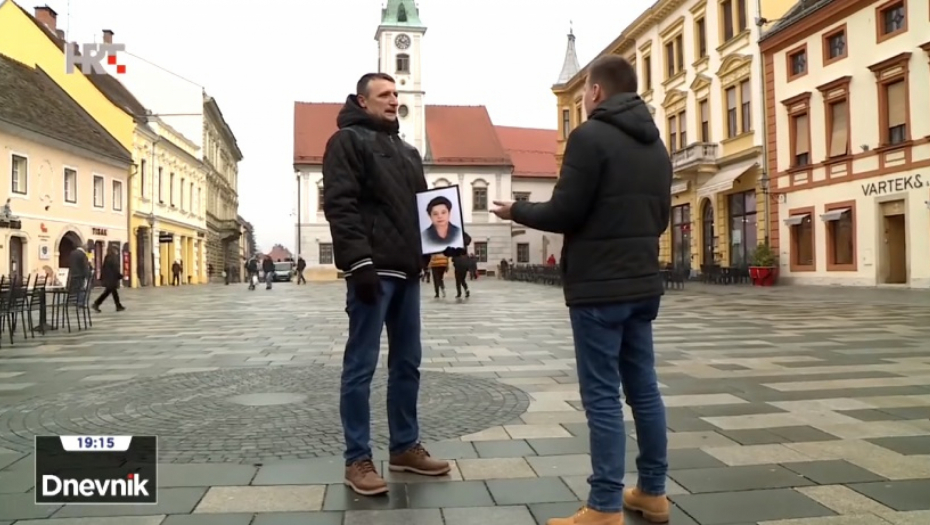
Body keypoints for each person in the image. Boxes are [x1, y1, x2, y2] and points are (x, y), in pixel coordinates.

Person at [491, 55, 672, 525]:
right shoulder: (657, 145)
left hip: (599, 289)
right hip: (642, 283)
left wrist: (516, 211)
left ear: (595, 92)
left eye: (586, 91)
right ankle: (652, 492)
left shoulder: (588, 137)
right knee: (645, 391)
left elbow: (564, 212)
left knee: (602, 397)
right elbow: (662, 218)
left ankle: (605, 505)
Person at [322, 71, 453, 496]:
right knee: (360, 365)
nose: (394, 100)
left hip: (408, 271)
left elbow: (423, 210)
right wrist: (358, 263)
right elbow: (340, 206)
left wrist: (445, 239)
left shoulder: (408, 150)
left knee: (407, 363)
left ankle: (404, 447)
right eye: (384, 94)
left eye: (396, 93)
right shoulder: (346, 142)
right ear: (363, 101)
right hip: (372, 271)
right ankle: (357, 459)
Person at [92, 245, 125, 312]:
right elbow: (115, 269)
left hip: (109, 279)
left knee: (111, 293)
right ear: (114, 250)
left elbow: (104, 269)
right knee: (109, 293)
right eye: (117, 250)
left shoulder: (107, 257)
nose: (117, 252)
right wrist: (120, 276)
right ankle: (96, 304)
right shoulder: (113, 258)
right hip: (111, 279)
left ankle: (118, 306)